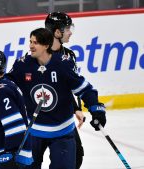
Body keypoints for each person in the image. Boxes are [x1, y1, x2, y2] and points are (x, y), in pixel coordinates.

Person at [6, 28, 106, 169]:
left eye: (35, 43)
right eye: (30, 41)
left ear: (46, 46)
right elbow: (6, 86)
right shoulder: (23, 65)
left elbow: (84, 89)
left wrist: (96, 108)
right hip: (32, 131)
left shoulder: (63, 64)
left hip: (62, 132)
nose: (31, 46)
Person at [45, 11, 85, 168]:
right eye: (67, 29)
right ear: (56, 32)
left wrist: (76, 108)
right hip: (41, 118)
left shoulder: (69, 55)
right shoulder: (38, 55)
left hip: (63, 118)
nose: (70, 33)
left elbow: (71, 85)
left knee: (76, 156)